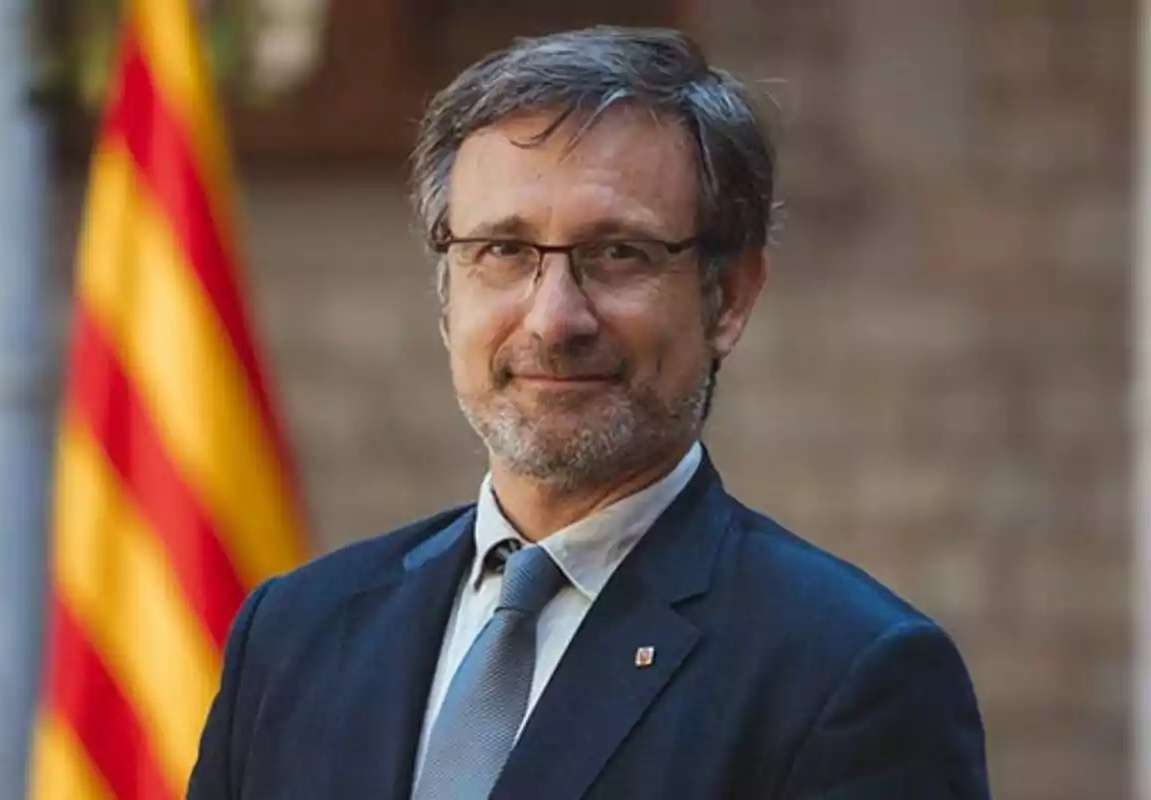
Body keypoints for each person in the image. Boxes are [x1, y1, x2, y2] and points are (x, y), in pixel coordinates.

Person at [188, 26, 990, 800]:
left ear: (730, 297)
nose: (553, 318)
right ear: (447, 293)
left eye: (617, 253)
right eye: (502, 250)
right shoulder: (296, 634)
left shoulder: (847, 675)